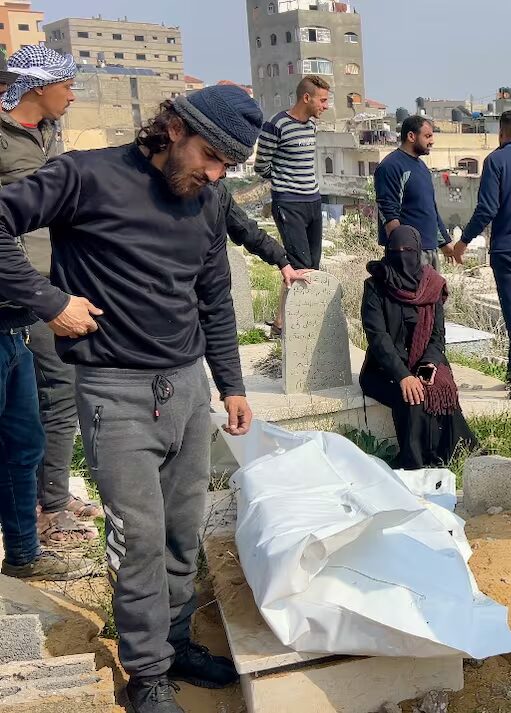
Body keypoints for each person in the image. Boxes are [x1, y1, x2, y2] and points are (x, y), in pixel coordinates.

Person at [0, 84, 263, 713]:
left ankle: (174, 641)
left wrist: (231, 383)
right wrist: (50, 302)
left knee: (180, 531)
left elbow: (214, 296)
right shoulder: (85, 177)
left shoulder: (207, 198)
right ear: (174, 129)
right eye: (209, 155)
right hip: (113, 390)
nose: (215, 173)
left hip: (186, 386)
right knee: (138, 535)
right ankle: (146, 672)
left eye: (227, 165)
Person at [0, 44, 96, 582]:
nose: (74, 93)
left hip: (45, 292)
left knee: (45, 410)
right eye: (67, 84)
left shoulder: (51, 134)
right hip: (15, 290)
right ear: (38, 86)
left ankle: (46, 510)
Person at [447, 109, 511, 399]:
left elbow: (487, 208)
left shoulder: (495, 161)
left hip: (507, 251)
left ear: (501, 135)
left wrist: (463, 241)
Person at [360, 225, 478, 468]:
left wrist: (428, 365)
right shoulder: (375, 287)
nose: (402, 255)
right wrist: (403, 375)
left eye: (408, 250)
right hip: (384, 371)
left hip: (424, 361)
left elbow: (437, 335)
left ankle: (452, 454)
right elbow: (378, 337)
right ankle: (415, 464)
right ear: (387, 251)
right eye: (396, 250)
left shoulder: (432, 285)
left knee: (441, 388)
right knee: (412, 397)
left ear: (418, 252)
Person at [257, 75, 330, 336]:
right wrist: (283, 182)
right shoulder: (276, 125)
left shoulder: (311, 126)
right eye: (322, 100)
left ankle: (280, 323)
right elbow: (261, 165)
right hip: (289, 202)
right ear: (306, 98)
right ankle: (299, 329)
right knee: (301, 268)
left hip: (313, 199)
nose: (326, 106)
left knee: (311, 265)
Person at [374, 115, 450, 268]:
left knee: (433, 292)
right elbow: (388, 210)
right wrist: (401, 249)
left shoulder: (422, 167)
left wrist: (445, 244)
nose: (432, 141)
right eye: (427, 136)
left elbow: (430, 210)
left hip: (430, 250)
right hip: (409, 253)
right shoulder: (391, 166)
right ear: (411, 136)